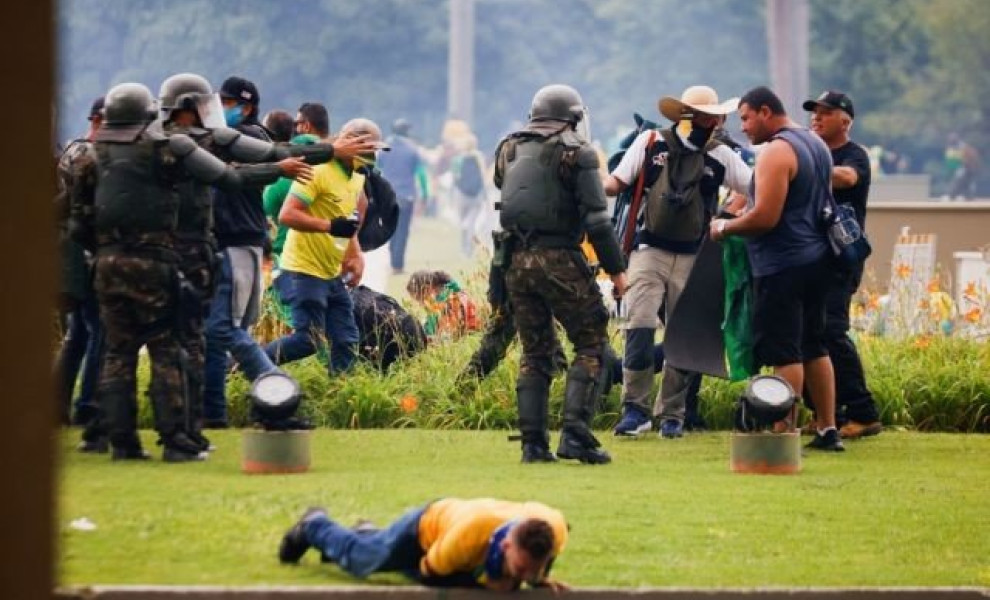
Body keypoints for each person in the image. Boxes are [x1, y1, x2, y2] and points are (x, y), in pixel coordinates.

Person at [69, 82, 301, 461]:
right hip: (159, 260)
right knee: (167, 348)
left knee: (118, 352)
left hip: (108, 265)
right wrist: (278, 165)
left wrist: (107, 250)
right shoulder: (164, 151)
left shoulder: (91, 159)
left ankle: (121, 443)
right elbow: (228, 177)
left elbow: (78, 223)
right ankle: (176, 440)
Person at [158, 74, 313, 448]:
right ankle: (215, 413)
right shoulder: (217, 139)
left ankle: (277, 392)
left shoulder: (249, 138)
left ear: (245, 106)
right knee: (216, 336)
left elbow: (234, 175)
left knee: (225, 331)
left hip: (236, 243)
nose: (220, 109)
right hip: (228, 245)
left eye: (229, 102)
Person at [604, 85, 752, 439]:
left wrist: (727, 217)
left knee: (683, 336)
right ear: (694, 116)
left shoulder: (722, 155)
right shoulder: (651, 142)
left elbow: (754, 187)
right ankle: (634, 411)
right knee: (638, 327)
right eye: (714, 115)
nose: (719, 120)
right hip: (647, 251)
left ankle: (672, 414)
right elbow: (616, 183)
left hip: (693, 255)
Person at [496, 84, 628, 464]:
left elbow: (504, 188)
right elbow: (599, 223)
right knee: (591, 343)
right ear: (573, 117)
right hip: (560, 259)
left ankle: (532, 445)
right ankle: (576, 436)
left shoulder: (508, 147)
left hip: (515, 261)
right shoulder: (578, 152)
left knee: (535, 352)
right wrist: (618, 273)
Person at [709, 86, 844, 452]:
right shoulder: (815, 144)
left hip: (783, 264)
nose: (745, 128)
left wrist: (724, 226)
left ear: (766, 112)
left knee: (785, 353)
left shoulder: (776, 152)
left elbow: (765, 217)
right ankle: (828, 428)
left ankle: (785, 431)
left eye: (747, 119)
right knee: (815, 346)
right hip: (818, 260)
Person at [264, 118, 388, 375]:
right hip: (303, 271)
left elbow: (347, 219)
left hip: (331, 273)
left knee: (346, 340)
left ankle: (342, 395)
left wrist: (355, 255)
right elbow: (288, 215)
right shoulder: (318, 170)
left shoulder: (355, 177)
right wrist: (329, 226)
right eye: (368, 150)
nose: (373, 157)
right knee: (306, 341)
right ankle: (242, 365)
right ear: (349, 145)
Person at [803, 90, 883, 439]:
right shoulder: (812, 149)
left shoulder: (854, 155)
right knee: (807, 334)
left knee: (831, 331)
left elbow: (848, 178)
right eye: (814, 112)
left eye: (825, 112)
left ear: (845, 120)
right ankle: (827, 415)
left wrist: (806, 165)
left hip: (840, 259)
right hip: (811, 257)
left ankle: (863, 413)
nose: (816, 118)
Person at [278, 497, 569, 591]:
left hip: (462, 521)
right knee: (361, 560)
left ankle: (368, 532)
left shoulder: (554, 530)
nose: (523, 577)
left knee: (376, 546)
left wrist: (537, 579)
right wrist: (484, 585)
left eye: (531, 570)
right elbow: (429, 573)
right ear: (506, 545)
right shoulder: (464, 540)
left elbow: (538, 561)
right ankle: (314, 525)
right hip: (423, 533)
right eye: (519, 568)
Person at [54, 96, 105, 431]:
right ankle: (88, 405)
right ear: (100, 121)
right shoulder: (89, 155)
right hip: (82, 254)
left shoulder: (72, 148)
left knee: (79, 333)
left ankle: (57, 405)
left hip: (69, 253)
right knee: (98, 328)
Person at [379, 118, 426, 274]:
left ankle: (393, 261)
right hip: (406, 196)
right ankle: (397, 265)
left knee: (390, 228)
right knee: (402, 230)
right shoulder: (413, 150)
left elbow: (376, 170)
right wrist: (425, 194)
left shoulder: (383, 149)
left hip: (387, 195)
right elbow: (421, 174)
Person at [406, 270, 480, 341]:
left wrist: (426, 340)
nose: (421, 304)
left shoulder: (453, 301)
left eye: (420, 299)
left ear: (428, 289)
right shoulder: (441, 302)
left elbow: (448, 337)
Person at [451, 134, 488, 256]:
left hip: (461, 194)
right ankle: (469, 250)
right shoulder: (479, 157)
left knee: (463, 223)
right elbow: (483, 176)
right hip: (476, 195)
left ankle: (463, 247)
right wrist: (485, 195)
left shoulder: (458, 159)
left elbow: (455, 177)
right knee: (471, 223)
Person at [943, 133, 981, 200]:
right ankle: (966, 197)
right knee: (966, 185)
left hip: (967, 168)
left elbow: (966, 160)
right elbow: (952, 162)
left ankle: (953, 196)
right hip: (965, 168)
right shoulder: (953, 148)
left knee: (959, 182)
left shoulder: (963, 147)